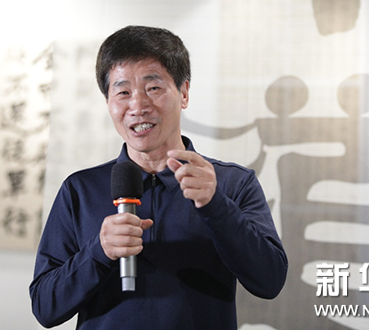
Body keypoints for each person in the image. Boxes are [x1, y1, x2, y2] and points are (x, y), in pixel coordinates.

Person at [30, 25, 287, 329]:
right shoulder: (80, 190)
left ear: (184, 93)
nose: (138, 106)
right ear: (108, 102)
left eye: (153, 88)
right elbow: (45, 308)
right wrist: (99, 251)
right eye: (123, 92)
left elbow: (270, 281)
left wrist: (216, 206)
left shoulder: (231, 184)